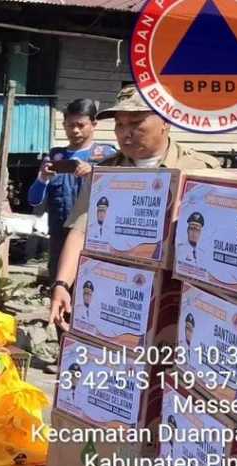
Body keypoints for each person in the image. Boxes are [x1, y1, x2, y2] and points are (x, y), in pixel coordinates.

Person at [50, 86, 220, 331]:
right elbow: (80, 230)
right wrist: (62, 285)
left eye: (136, 123)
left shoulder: (198, 170)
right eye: (120, 125)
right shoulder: (105, 174)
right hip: (115, 298)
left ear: (166, 121)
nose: (125, 134)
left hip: (175, 303)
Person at [28, 99, 117, 279]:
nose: (75, 130)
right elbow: (34, 200)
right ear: (64, 125)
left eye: (81, 125)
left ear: (94, 124)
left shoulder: (108, 156)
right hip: (59, 239)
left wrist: (95, 173)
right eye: (70, 125)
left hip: (95, 239)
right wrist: (42, 178)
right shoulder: (55, 157)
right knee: (59, 289)